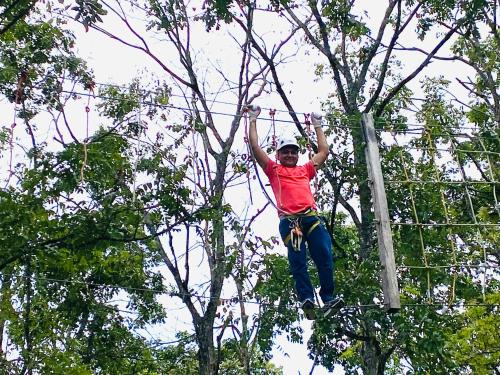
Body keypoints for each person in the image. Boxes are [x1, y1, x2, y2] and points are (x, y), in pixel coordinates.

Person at [245, 104, 343, 320]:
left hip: (311, 218)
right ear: (278, 155)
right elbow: (254, 146)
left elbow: (323, 152)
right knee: (298, 258)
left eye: (293, 151)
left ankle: (328, 298)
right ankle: (307, 299)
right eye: (285, 152)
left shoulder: (305, 170)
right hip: (292, 222)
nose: (290, 154)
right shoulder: (274, 170)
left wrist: (317, 125)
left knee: (324, 256)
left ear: (297, 155)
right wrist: (252, 119)